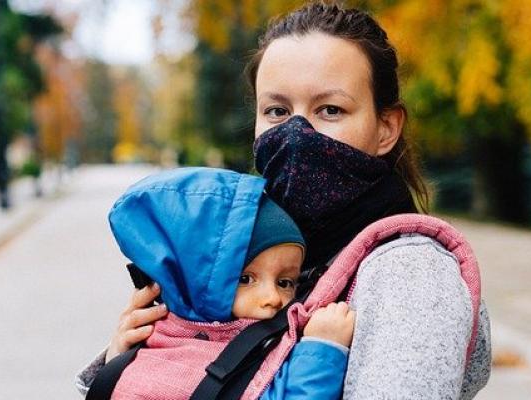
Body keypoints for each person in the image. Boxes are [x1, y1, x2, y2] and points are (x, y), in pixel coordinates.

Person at [79, 2, 491, 399]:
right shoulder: (253, 247)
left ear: (386, 128)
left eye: (330, 109)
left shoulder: (409, 274)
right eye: (277, 111)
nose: (297, 134)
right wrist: (129, 361)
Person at [80, 167, 355, 399]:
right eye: (245, 279)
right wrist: (322, 350)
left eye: (285, 282)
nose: (273, 297)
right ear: (194, 282)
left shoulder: (272, 336)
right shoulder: (160, 365)